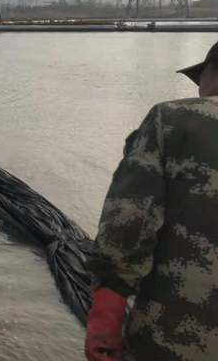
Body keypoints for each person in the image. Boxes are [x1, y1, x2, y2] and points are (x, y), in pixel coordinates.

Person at [85, 41, 218, 361]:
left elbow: (128, 226)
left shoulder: (172, 121)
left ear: (212, 74)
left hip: (179, 338)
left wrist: (106, 317)